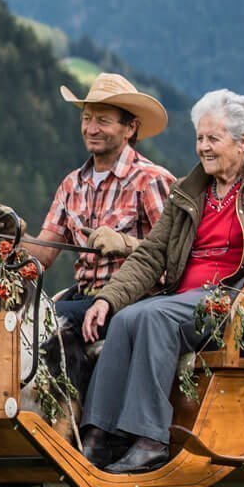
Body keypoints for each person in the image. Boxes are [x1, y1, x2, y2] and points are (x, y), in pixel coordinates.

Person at [77, 89, 244, 473]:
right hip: (186, 298)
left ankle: (150, 440)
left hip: (233, 301)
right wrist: (107, 300)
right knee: (126, 318)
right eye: (199, 138)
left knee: (155, 317)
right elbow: (150, 255)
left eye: (213, 138)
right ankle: (98, 436)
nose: (203, 148)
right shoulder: (187, 192)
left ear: (243, 142)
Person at [19, 72, 176, 324]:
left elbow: (176, 255)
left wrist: (124, 244)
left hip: (132, 302)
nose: (91, 129)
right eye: (86, 118)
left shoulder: (151, 180)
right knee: (14, 320)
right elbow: (44, 255)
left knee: (37, 324)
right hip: (83, 298)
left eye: (103, 120)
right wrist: (15, 235)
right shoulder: (72, 184)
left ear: (130, 128)